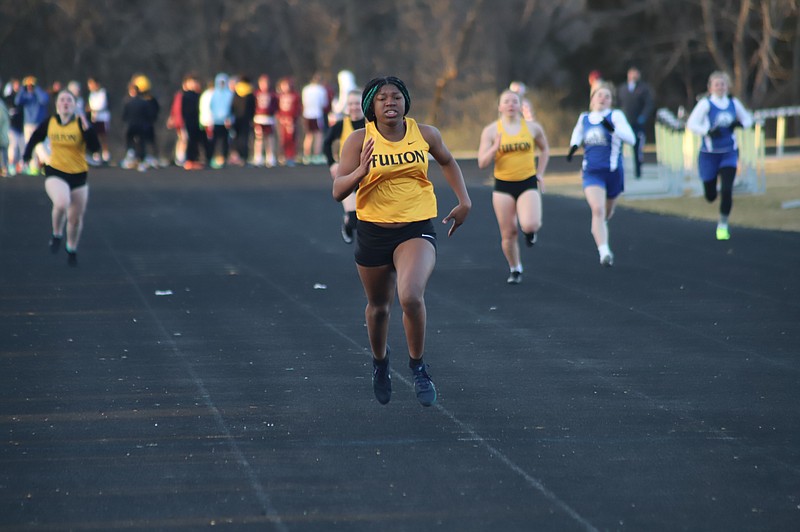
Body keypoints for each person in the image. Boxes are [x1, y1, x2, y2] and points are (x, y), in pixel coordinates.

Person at [332, 76, 471, 407]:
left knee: (410, 296)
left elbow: (448, 161)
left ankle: (418, 367)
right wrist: (360, 172)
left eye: (396, 97)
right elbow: (338, 190)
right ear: (371, 107)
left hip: (415, 227)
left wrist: (464, 201)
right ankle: (380, 363)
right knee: (379, 308)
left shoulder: (425, 134)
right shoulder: (357, 140)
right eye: (382, 99)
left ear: (406, 102)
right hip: (373, 230)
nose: (390, 102)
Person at [477, 89, 550, 284]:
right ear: (500, 106)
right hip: (503, 186)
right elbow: (482, 163)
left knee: (530, 224)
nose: (510, 104)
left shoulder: (533, 128)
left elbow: (545, 150)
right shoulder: (491, 131)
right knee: (508, 233)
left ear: (520, 106)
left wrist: (540, 173)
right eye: (506, 101)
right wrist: (495, 147)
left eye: (514, 101)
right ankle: (515, 268)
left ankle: (530, 232)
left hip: (527, 181)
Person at [22, 90, 100, 266]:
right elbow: (35, 137)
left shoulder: (80, 124)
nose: (65, 103)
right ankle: (56, 233)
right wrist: (27, 155)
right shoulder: (50, 122)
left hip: (79, 176)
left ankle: (71, 248)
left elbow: (95, 148)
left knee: (75, 219)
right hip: (55, 171)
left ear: (74, 105)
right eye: (62, 100)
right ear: (57, 105)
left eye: (69, 101)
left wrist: (86, 127)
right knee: (62, 202)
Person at [567, 82, 635, 267]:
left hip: (613, 173)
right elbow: (578, 133)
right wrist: (573, 146)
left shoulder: (616, 116)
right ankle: (604, 252)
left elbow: (631, 139)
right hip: (592, 173)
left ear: (611, 100)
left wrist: (613, 128)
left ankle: (599, 227)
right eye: (599, 95)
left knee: (606, 212)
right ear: (592, 98)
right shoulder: (585, 118)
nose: (603, 99)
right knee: (597, 209)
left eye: (607, 96)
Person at [686, 71, 753, 240]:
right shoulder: (706, 104)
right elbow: (691, 124)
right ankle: (710, 189)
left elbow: (748, 120)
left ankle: (723, 225)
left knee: (727, 189)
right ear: (710, 87)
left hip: (729, 153)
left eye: (722, 84)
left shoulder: (733, 102)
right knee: (710, 195)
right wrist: (707, 131)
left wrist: (739, 124)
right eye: (716, 84)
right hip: (709, 155)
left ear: (727, 86)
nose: (720, 87)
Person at [323, 89, 365, 244]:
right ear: (347, 106)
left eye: (357, 103)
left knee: (368, 218)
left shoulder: (372, 124)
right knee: (354, 217)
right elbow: (326, 144)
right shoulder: (341, 125)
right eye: (351, 104)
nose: (354, 107)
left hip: (369, 175)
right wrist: (332, 163)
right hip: (348, 174)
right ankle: (347, 223)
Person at [617, 66, 654, 178]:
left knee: (637, 149)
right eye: (631, 73)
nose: (633, 76)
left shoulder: (644, 89)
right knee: (618, 148)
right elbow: (618, 104)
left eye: (635, 73)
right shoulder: (622, 88)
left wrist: (643, 117)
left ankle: (638, 173)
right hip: (624, 124)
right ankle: (619, 171)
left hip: (637, 124)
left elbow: (649, 104)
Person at [301, 73, 329, 165]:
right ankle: (316, 155)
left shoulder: (305, 89)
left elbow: (303, 102)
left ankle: (306, 155)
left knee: (308, 135)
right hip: (317, 114)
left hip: (307, 114)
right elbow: (324, 104)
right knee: (318, 135)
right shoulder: (321, 90)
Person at [252, 74, 278, 167]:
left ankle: (270, 156)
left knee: (269, 138)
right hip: (259, 118)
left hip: (269, 119)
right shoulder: (256, 94)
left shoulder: (272, 94)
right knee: (259, 138)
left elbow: (276, 107)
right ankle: (258, 157)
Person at [276, 77, 301, 166]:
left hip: (291, 121)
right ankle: (282, 156)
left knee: (291, 139)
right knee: (282, 139)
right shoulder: (279, 96)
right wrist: (280, 117)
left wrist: (293, 118)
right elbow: (277, 109)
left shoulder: (295, 96)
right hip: (282, 121)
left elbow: (298, 108)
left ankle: (291, 156)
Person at [86, 78, 111, 164]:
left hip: (103, 118)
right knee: (95, 136)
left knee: (103, 136)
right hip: (94, 118)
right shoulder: (91, 95)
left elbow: (102, 105)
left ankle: (106, 155)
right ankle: (96, 155)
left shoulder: (103, 93)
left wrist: (92, 109)